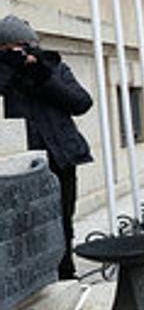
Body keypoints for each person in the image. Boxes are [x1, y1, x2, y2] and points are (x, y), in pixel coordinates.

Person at [0, 15, 93, 280]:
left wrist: (41, 76)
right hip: (23, 163)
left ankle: (65, 272)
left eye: (26, 45)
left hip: (60, 155)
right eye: (13, 48)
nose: (23, 52)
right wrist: (9, 68)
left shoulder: (52, 66)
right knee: (23, 226)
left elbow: (81, 102)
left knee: (63, 218)